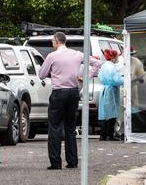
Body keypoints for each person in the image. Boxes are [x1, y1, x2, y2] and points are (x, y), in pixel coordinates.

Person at [38, 32, 101, 170]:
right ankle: (72, 161)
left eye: (52, 41)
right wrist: (86, 77)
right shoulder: (77, 54)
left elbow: (41, 75)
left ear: (56, 41)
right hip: (73, 92)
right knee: (70, 128)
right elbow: (97, 63)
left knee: (55, 128)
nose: (51, 43)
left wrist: (52, 72)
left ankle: (56, 162)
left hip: (58, 93)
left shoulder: (52, 56)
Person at [98, 49, 124, 141]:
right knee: (112, 114)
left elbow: (100, 77)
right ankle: (110, 134)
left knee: (104, 114)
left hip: (105, 89)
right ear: (113, 57)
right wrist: (124, 79)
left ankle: (103, 134)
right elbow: (116, 80)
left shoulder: (105, 65)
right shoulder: (111, 67)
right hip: (111, 91)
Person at [130, 46, 146, 113]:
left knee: (133, 107)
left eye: (131, 54)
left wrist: (140, 78)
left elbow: (141, 76)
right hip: (119, 88)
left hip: (132, 88)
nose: (130, 56)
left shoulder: (136, 62)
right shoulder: (118, 60)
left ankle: (132, 122)